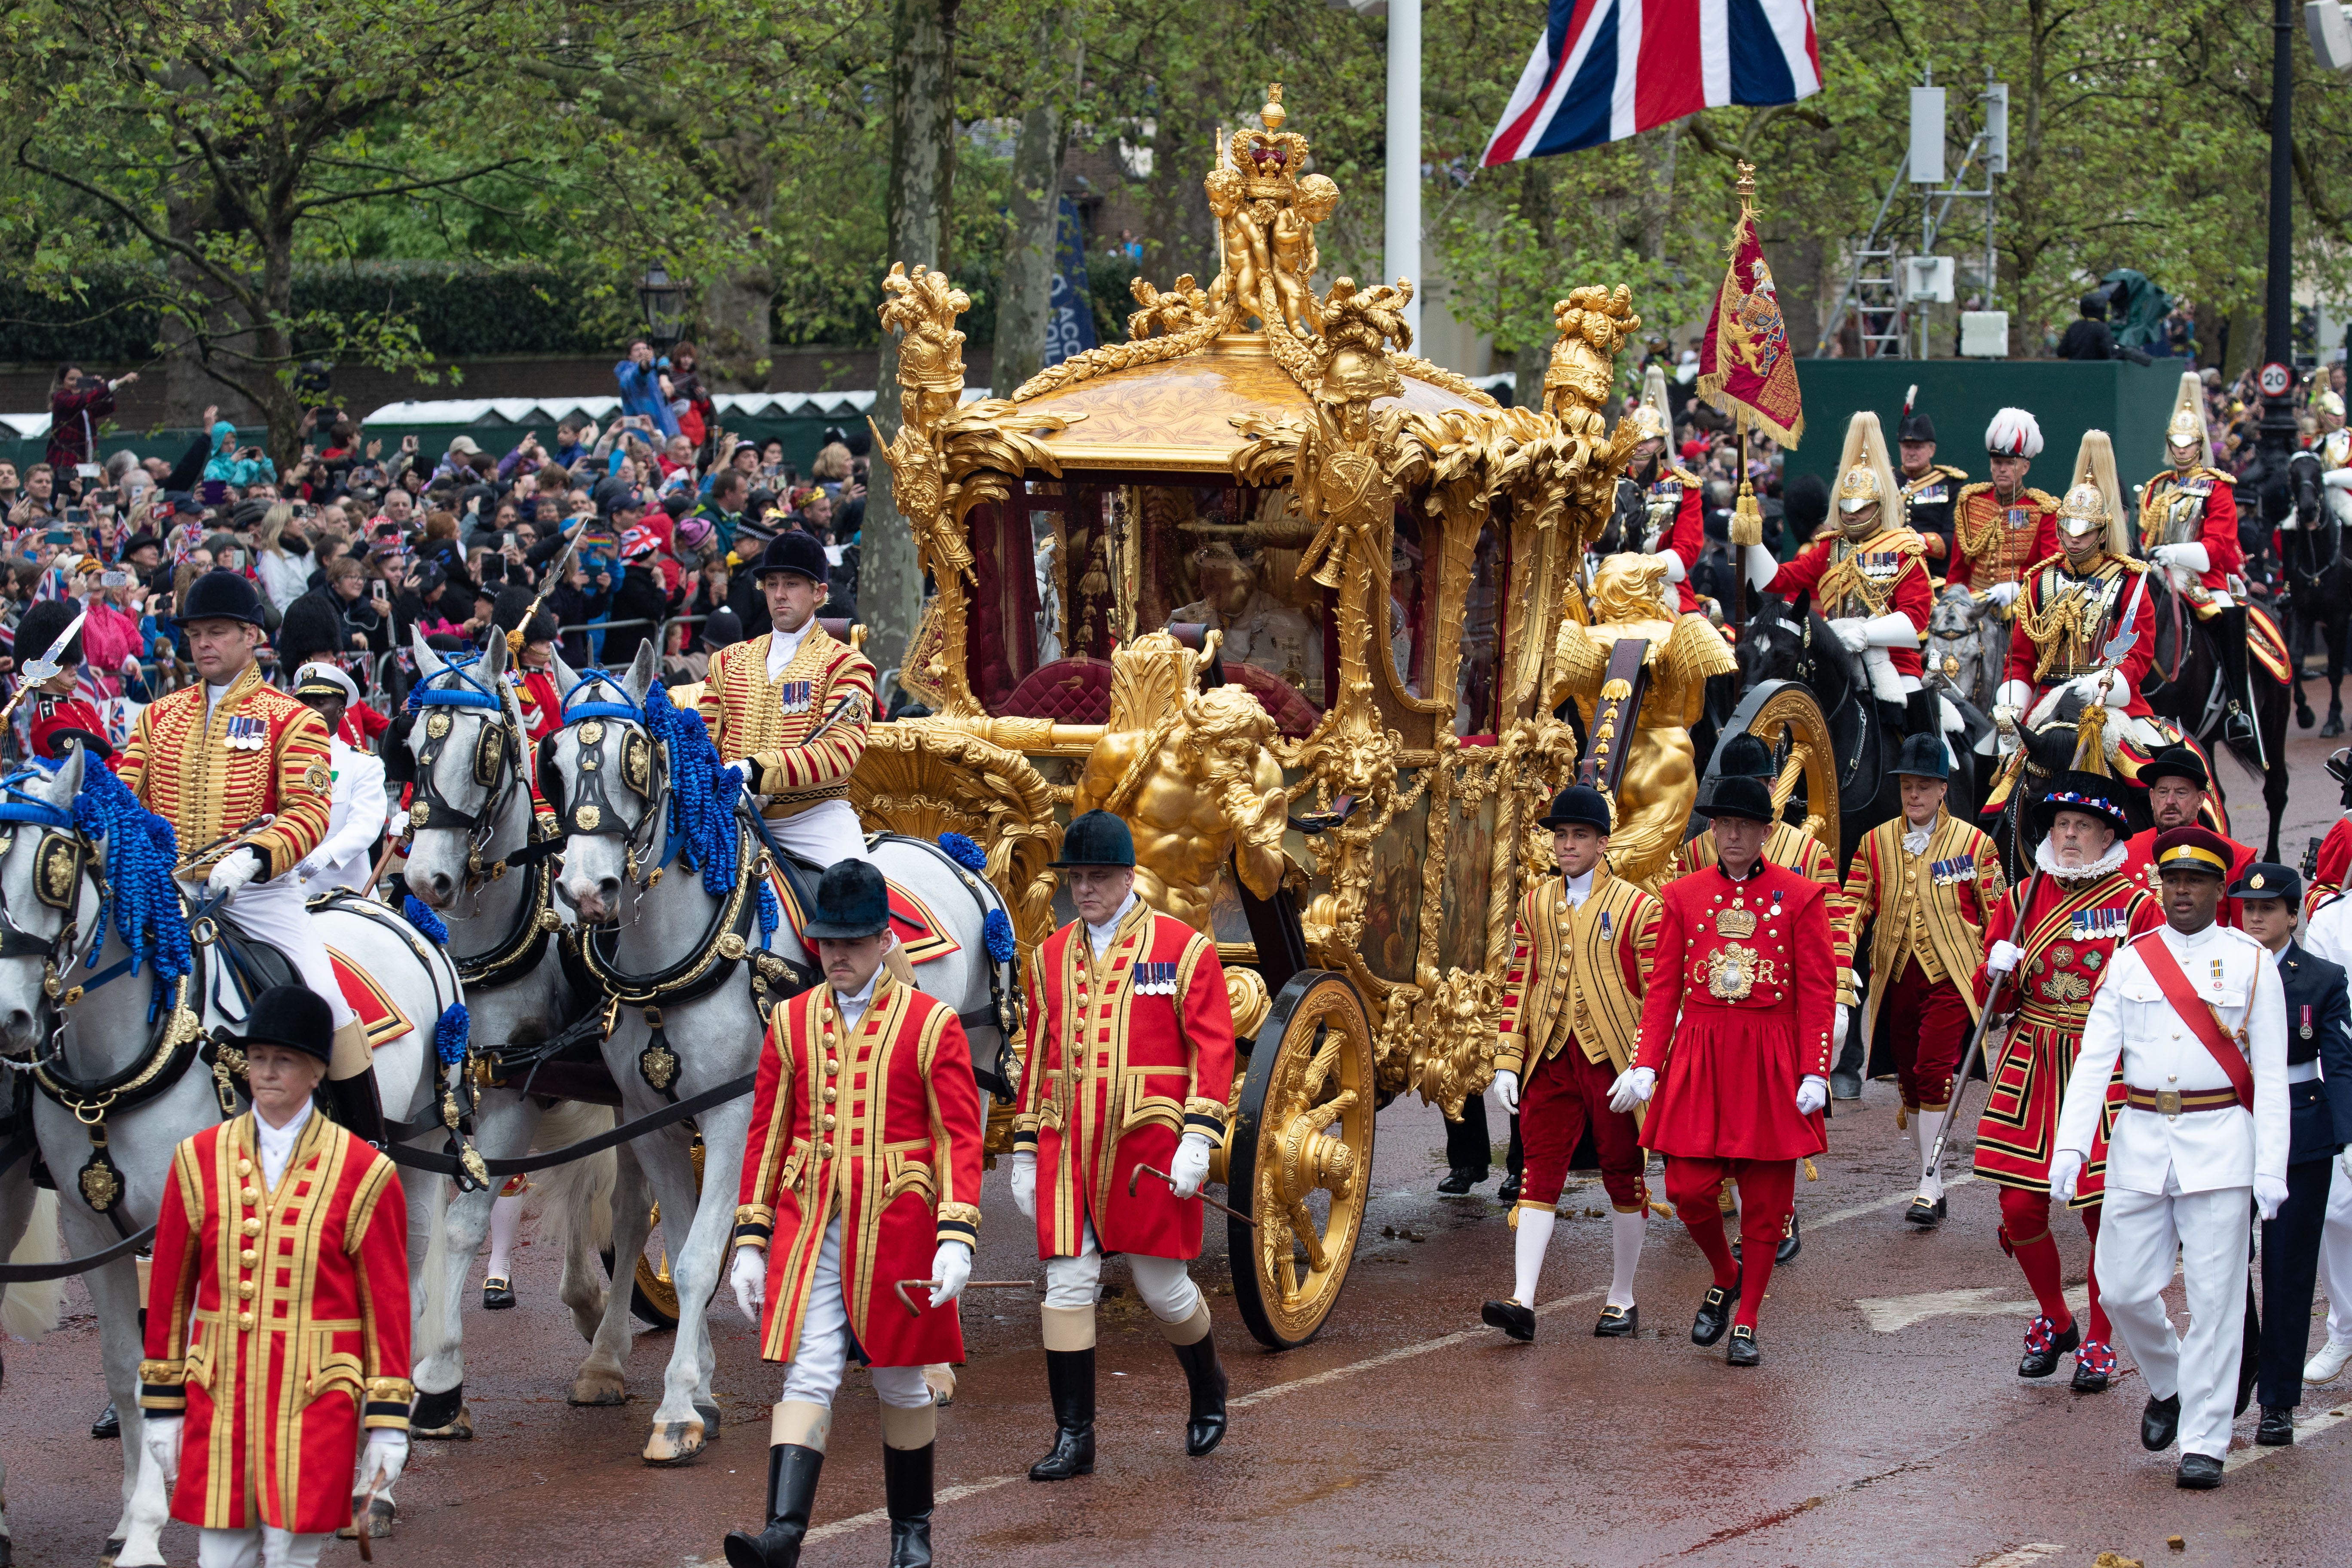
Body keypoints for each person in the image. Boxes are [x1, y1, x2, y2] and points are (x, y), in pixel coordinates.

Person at [722, 861, 980, 1568]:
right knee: (807, 1371)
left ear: (882, 939)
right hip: (812, 1230)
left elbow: (959, 1134)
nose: (836, 955)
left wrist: (956, 1234)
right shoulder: (790, 1018)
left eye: (852, 943)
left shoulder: (931, 1024)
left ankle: (911, 1531)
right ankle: (782, 1533)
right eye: (826, 942)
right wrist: (750, 1238)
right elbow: (768, 1134)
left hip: (897, 1229)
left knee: (900, 1376)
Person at [137, 986, 411, 1568]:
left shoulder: (366, 1172)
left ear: (315, 1071)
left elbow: (385, 1307)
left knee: (293, 1558)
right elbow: (169, 1294)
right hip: (220, 1397)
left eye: (282, 1060)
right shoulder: (197, 1158)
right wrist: (162, 1406)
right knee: (219, 1557)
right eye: (258, 1058)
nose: (265, 1072)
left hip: (315, 1401)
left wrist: (388, 1422)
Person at [2052, 826, 2288, 1488]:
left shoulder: (2250, 962)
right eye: (2173, 880)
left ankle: (2205, 1441)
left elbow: (2269, 1076)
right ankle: (2171, 1381)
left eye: (2197, 882)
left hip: (2220, 1143)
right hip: (2142, 1139)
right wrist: (2071, 1146)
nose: (2182, 891)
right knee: (2122, 1288)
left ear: (2220, 891)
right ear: (2161, 886)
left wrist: (2271, 1167)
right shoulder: (2132, 960)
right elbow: (2095, 1059)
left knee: (2217, 1300)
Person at [115, 570, 378, 1139]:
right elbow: (121, 800)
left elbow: (308, 811)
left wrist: (254, 857)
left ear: (251, 638)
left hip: (260, 897)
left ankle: (363, 1139)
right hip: (170, 893)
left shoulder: (294, 718)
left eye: (217, 632)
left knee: (328, 1004)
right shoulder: (156, 719)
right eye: (195, 634)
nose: (204, 644)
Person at [1011, 810, 1235, 1477]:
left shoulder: (1181, 948)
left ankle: (1208, 1386)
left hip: (1147, 1151)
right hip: (1066, 1150)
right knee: (1068, 1284)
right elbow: (1038, 1058)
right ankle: (1074, 1437)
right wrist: (1025, 1150)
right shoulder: (1048, 956)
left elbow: (1213, 1051)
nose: (1085, 890)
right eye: (1076, 879)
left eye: (1098, 878)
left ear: (1129, 876)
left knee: (1162, 1288)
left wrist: (1198, 1140)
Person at [1610, 771, 1836, 1366]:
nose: (1733, 835)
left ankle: (1749, 1318)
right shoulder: (1682, 897)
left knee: (1765, 1204)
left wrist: (1816, 1071)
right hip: (1703, 1056)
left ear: (1766, 831)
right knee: (1687, 1189)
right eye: (1724, 824)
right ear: (1713, 828)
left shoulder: (1802, 896)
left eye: (1745, 826)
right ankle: (1725, 1271)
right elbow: (1662, 992)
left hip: (1769, 1060)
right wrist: (1646, 1064)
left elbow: (1818, 991)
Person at [1975, 770, 2163, 1392]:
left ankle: (2103, 1340)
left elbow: (2159, 994)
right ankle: (2058, 1320)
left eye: (2083, 826)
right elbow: (1991, 1004)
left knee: (2102, 1212)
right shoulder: (2024, 894)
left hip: (2103, 1063)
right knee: (2019, 1205)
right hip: (2032, 1056)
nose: (2071, 836)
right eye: (2062, 826)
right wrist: (1996, 971)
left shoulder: (2137, 903)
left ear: (2108, 833)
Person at [1482, 784, 1661, 1342]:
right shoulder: (1534, 903)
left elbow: (1660, 996)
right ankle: (1523, 1300)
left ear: (1603, 843)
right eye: (1560, 836)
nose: (1567, 845)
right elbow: (1519, 985)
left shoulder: (1638, 907)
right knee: (1538, 1170)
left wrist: (1645, 1067)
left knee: (1623, 1175)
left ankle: (1622, 1297)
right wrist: (1508, 1062)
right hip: (1551, 1057)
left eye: (1579, 836)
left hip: (1613, 1061)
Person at [1672, 730, 1846, 1242]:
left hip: (1780, 1009)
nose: (1733, 828)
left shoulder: (1807, 853)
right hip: (1713, 1008)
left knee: (1775, 1125)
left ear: (1771, 787)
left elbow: (1833, 933)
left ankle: (1775, 1216)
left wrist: (1839, 1005)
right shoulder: (1696, 852)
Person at [1835, 734, 2005, 1225]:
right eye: (1908, 786)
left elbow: (1998, 914)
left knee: (1933, 1070)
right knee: (1908, 1080)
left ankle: (1929, 1184)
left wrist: (1999, 968)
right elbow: (1854, 905)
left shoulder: (1976, 844)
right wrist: (1841, 957)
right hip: (1896, 975)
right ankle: (1926, 1171)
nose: (1914, 796)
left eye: (1924, 786)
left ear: (1943, 790)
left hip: (1952, 975)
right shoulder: (1875, 841)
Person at [2235, 863, 2352, 1446]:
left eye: (2267, 909)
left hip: (2301, 1131)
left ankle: (2278, 1402)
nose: (2255, 918)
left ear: (2293, 915)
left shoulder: (2323, 977)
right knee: (2224, 1262)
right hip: (2230, 1126)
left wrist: (2348, 1134)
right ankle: (2244, 1360)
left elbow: (2341, 1060)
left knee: (2287, 1270)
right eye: (2247, 909)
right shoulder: (2219, 967)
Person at [1739, 410, 1938, 738]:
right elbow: (1776, 581)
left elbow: (1915, 619)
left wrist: (1866, 634)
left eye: (1861, 508)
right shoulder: (1830, 549)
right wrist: (1753, 539)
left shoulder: (1904, 547)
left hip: (1893, 659)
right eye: (1847, 507)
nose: (1851, 514)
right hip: (1835, 656)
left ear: (1878, 506)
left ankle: (1930, 777)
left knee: (1914, 713)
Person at [1991, 432, 2167, 779]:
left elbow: (2136, 657)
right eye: (2068, 530)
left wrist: (2098, 685)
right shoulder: (2039, 580)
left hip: (2109, 704)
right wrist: (2011, 705)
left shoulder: (2130, 580)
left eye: (2085, 532)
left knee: (2150, 779)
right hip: (2046, 703)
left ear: (2102, 532)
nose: (2074, 539)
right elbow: (2022, 659)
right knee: (1998, 788)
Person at [698, 531, 876, 867]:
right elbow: (701, 742)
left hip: (812, 820)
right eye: (771, 583)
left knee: (852, 891)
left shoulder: (847, 664)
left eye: (792, 584)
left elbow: (840, 752)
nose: (779, 594)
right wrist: (717, 783)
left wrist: (755, 771)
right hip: (730, 814)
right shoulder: (726, 661)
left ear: (819, 592)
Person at [2119, 746, 2254, 921]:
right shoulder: (2123, 853)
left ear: (2200, 800)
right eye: (2163, 792)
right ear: (2152, 798)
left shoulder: (2237, 856)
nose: (2170, 801)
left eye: (2181, 793)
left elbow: (2245, 938)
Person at [289, 662, 388, 899]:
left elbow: (365, 825)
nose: (310, 712)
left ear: (341, 711)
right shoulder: (280, 760)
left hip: (346, 897)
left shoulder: (363, 764)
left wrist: (327, 854)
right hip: (289, 899)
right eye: (305, 703)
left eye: (321, 703)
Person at [1617, 364, 1708, 615]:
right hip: (1610, 582)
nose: (1640, 447)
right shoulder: (1611, 482)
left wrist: (1643, 567)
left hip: (1665, 584)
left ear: (1662, 443)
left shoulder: (1683, 487)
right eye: (1636, 440)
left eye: (1648, 440)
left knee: (1696, 643)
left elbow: (1687, 551)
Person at [1949, 409, 2061, 599]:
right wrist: (1953, 598)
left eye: (2010, 464)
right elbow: (1958, 569)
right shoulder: (1971, 502)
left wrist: (2018, 588)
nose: (2002, 469)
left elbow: (2049, 570)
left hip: (2021, 602)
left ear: (2025, 467)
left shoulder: (2044, 510)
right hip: (1973, 601)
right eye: (1997, 462)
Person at [11, 597, 115, 766]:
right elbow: (80, 769)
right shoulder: (49, 719)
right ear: (44, 671)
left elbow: (111, 754)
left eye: (71, 664)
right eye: (64, 666)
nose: (74, 670)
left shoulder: (83, 707)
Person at [1895, 397, 1969, 567]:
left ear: (1932, 450)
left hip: (1933, 573)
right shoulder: (1887, 481)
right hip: (1891, 570)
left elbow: (1955, 538)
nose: (1911, 453)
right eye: (1907, 447)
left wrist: (1918, 540)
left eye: (1918, 447)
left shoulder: (1950, 484)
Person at [2057, 292, 2119, 361]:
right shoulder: (2102, 328)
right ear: (2102, 309)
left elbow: (2061, 352)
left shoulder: (2074, 326)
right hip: (2096, 371)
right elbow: (2111, 353)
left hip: (2074, 370)